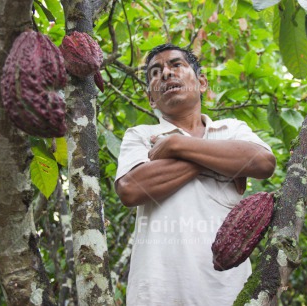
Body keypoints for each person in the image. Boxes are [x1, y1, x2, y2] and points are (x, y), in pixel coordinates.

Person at [114, 43, 276, 305]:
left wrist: (177, 146)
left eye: (176, 65)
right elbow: (131, 189)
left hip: (229, 292)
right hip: (157, 293)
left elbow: (263, 162)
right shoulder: (141, 136)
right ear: (151, 98)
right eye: (156, 72)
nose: (166, 74)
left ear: (201, 82)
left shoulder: (231, 129)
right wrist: (223, 161)